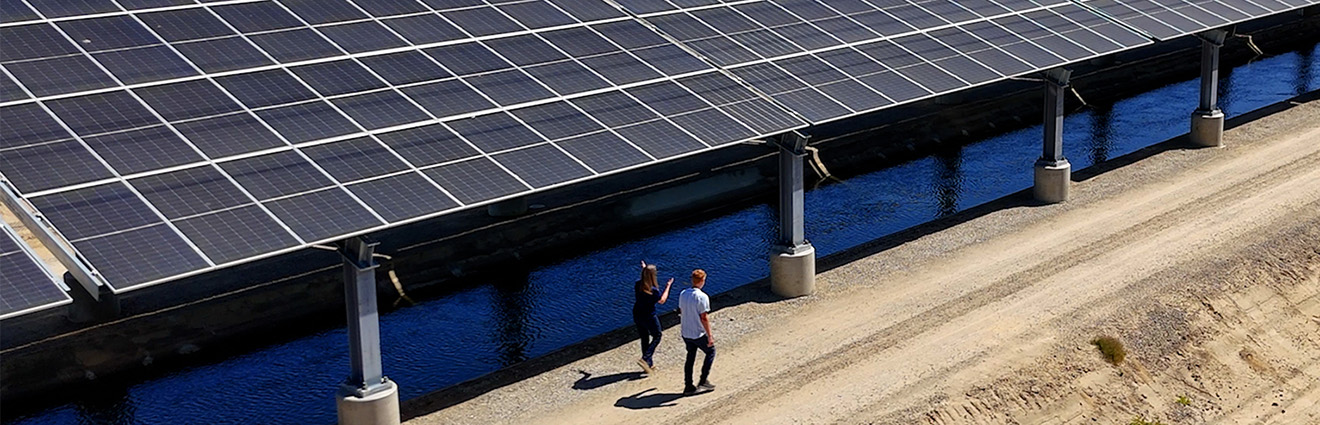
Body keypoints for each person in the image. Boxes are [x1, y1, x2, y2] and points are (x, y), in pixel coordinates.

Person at [678, 269, 715, 395]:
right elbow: (704, 317)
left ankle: (688, 384)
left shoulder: (683, 293)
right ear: (702, 281)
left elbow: (681, 311)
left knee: (690, 357)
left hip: (686, 332)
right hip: (697, 333)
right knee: (710, 351)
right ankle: (703, 380)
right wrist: (709, 336)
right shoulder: (702, 297)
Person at [634, 261, 672, 375]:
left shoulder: (638, 284)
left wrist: (645, 268)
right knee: (657, 335)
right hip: (649, 315)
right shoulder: (653, 290)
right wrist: (668, 286)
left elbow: (645, 276)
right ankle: (645, 358)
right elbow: (662, 300)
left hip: (637, 313)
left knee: (644, 337)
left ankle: (648, 365)